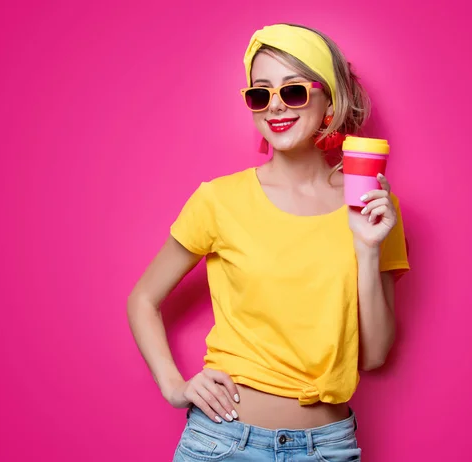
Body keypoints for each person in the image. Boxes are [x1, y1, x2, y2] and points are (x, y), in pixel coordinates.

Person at [127, 23, 410, 462]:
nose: (275, 106)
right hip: (223, 443)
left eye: (293, 91)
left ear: (330, 98)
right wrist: (174, 385)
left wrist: (368, 248)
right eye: (260, 94)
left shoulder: (372, 204)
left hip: (328, 448)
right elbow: (143, 298)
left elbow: (374, 356)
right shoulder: (219, 200)